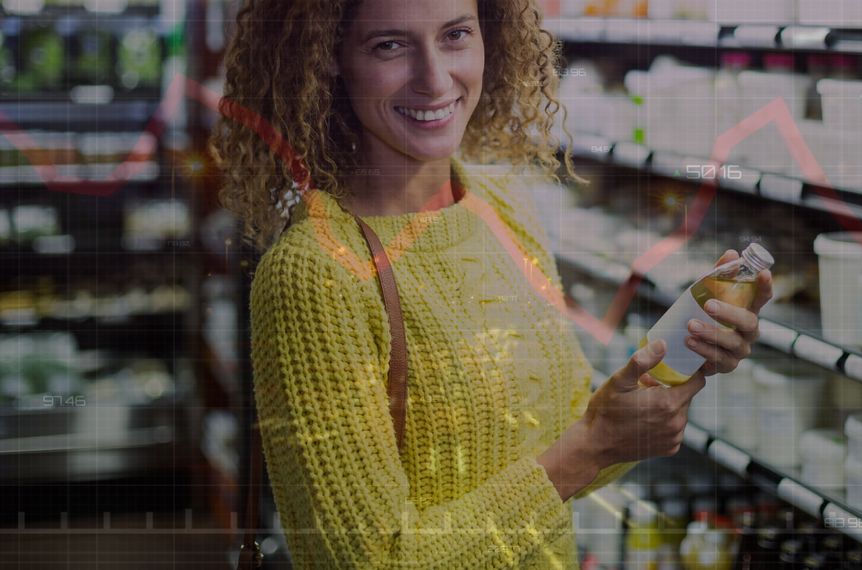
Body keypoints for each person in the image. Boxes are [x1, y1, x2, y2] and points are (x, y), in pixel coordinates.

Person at [210, 0, 772, 567]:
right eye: (390, 45)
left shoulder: (500, 206)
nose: (435, 79)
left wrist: (679, 358)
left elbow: (574, 443)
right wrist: (586, 449)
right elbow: (371, 559)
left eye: (455, 35)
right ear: (328, 59)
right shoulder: (315, 275)